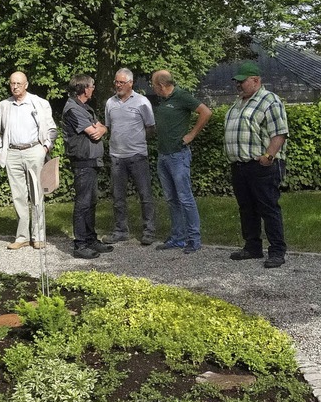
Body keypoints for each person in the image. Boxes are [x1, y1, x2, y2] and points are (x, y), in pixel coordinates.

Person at [224, 61, 289, 268]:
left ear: (256, 80)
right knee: (246, 208)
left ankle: (277, 251)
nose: (238, 85)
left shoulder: (269, 100)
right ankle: (252, 247)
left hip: (262, 165)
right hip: (240, 165)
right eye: (237, 82)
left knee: (268, 207)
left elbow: (279, 132)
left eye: (242, 81)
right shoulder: (239, 102)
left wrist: (268, 157)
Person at [151, 70, 212, 254]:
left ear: (161, 85)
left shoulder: (181, 96)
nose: (153, 89)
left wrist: (191, 135)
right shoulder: (164, 100)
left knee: (185, 198)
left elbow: (206, 112)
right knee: (172, 199)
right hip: (163, 155)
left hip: (178, 155)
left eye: (154, 85)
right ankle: (178, 237)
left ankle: (194, 239)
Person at [0, 71, 57, 250]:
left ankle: (38, 236)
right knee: (18, 196)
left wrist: (45, 148)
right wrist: (2, 149)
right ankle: (22, 236)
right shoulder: (4, 105)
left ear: (26, 84)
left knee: (37, 195)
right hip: (13, 154)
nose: (15, 87)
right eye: (12, 83)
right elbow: (0, 131)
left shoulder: (39, 103)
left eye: (18, 83)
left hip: (33, 151)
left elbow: (52, 129)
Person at [61, 74, 114, 259]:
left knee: (91, 202)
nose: (93, 89)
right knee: (83, 203)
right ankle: (80, 244)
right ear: (84, 88)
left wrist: (103, 128)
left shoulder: (85, 108)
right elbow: (95, 133)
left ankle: (91, 239)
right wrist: (100, 129)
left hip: (92, 161)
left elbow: (103, 127)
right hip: (82, 161)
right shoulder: (72, 110)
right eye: (91, 86)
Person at [103, 68, 156, 246]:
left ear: (130, 83)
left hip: (137, 156)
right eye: (116, 82)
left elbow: (150, 127)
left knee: (145, 195)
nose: (118, 85)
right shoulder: (110, 103)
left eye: (121, 82)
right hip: (117, 157)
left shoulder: (142, 102)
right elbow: (109, 126)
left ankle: (149, 231)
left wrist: (137, 141)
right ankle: (120, 231)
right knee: (118, 197)